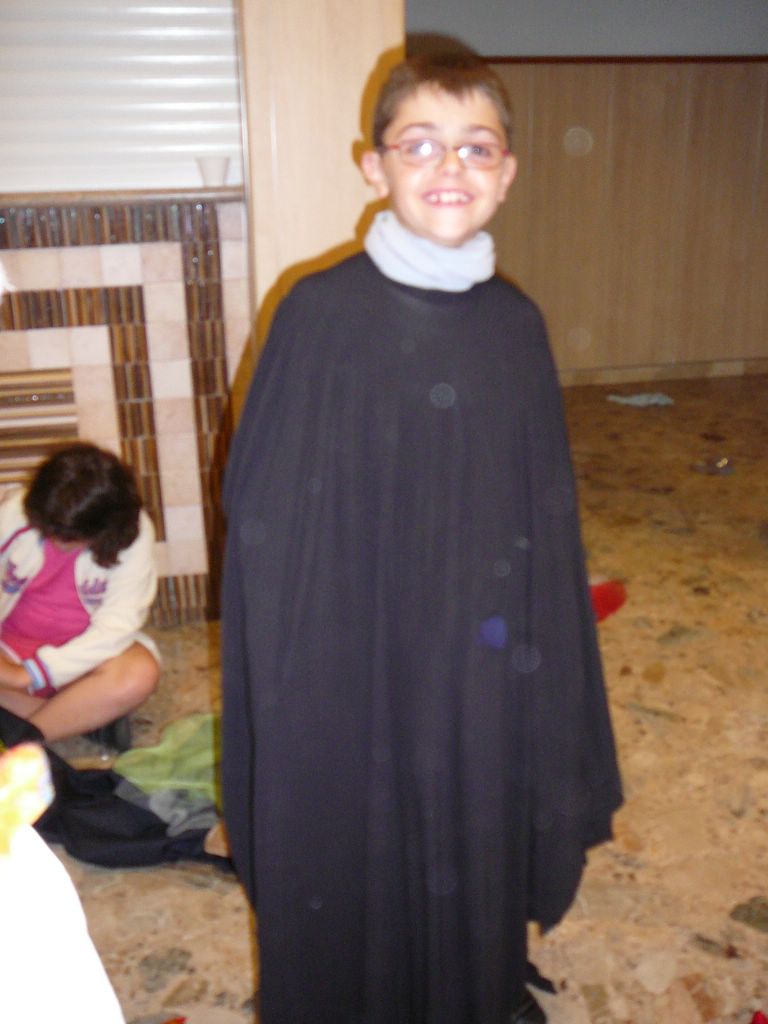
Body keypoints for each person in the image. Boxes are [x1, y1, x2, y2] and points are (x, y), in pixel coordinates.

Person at [220, 50, 622, 1024]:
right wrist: (318, 661)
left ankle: (469, 991)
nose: (451, 167)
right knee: (360, 835)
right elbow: (265, 515)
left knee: (472, 819)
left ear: (508, 172)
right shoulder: (318, 314)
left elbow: (543, 517)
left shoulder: (515, 325)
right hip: (352, 656)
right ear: (375, 166)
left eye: (477, 148)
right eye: (421, 145)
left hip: (481, 654)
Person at [0, 443, 159, 743]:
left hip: (85, 659)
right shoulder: (13, 512)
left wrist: (29, 674)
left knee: (139, 675)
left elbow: (117, 625)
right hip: (7, 651)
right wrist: (12, 671)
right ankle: (73, 720)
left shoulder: (135, 535)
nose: (55, 539)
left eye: (68, 536)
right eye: (48, 527)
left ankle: (22, 738)